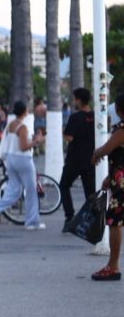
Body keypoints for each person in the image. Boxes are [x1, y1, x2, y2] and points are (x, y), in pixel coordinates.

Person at [0, 101, 45, 229]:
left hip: (10, 159)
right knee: (31, 190)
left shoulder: (11, 124)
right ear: (24, 112)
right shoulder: (22, 127)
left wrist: (29, 140)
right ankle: (32, 222)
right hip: (23, 159)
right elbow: (23, 147)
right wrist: (36, 141)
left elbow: (16, 142)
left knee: (14, 190)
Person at [90, 93, 124, 281]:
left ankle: (113, 266)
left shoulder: (121, 130)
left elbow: (106, 149)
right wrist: (109, 176)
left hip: (121, 185)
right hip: (118, 179)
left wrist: (96, 154)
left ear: (119, 110)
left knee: (115, 222)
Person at [62, 88, 96, 231]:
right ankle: (92, 221)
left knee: (63, 185)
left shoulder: (75, 118)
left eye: (75, 99)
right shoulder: (96, 116)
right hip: (91, 159)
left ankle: (70, 216)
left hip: (74, 160)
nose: (74, 101)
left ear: (80, 100)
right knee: (90, 193)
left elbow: (69, 137)